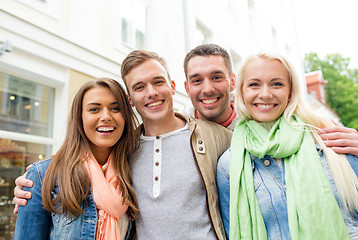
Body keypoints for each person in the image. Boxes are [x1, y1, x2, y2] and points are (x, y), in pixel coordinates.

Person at [217, 52, 358, 239]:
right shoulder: (229, 165)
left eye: (277, 84)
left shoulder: (329, 139)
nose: (265, 94)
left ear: (290, 91)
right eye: (254, 84)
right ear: (242, 91)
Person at [119, 50, 231, 239]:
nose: (152, 93)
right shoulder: (124, 151)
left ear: (172, 86)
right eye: (139, 87)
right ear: (130, 99)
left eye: (158, 82)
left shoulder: (216, 136)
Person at [14, 78, 139, 240]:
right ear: (79, 117)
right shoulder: (43, 175)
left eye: (115, 108)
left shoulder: (133, 172)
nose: (106, 116)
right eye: (94, 109)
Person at [182, 44, 358, 155]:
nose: (208, 89)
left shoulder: (261, 115)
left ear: (233, 82)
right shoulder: (180, 129)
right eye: (197, 80)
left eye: (217, 77)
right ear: (187, 88)